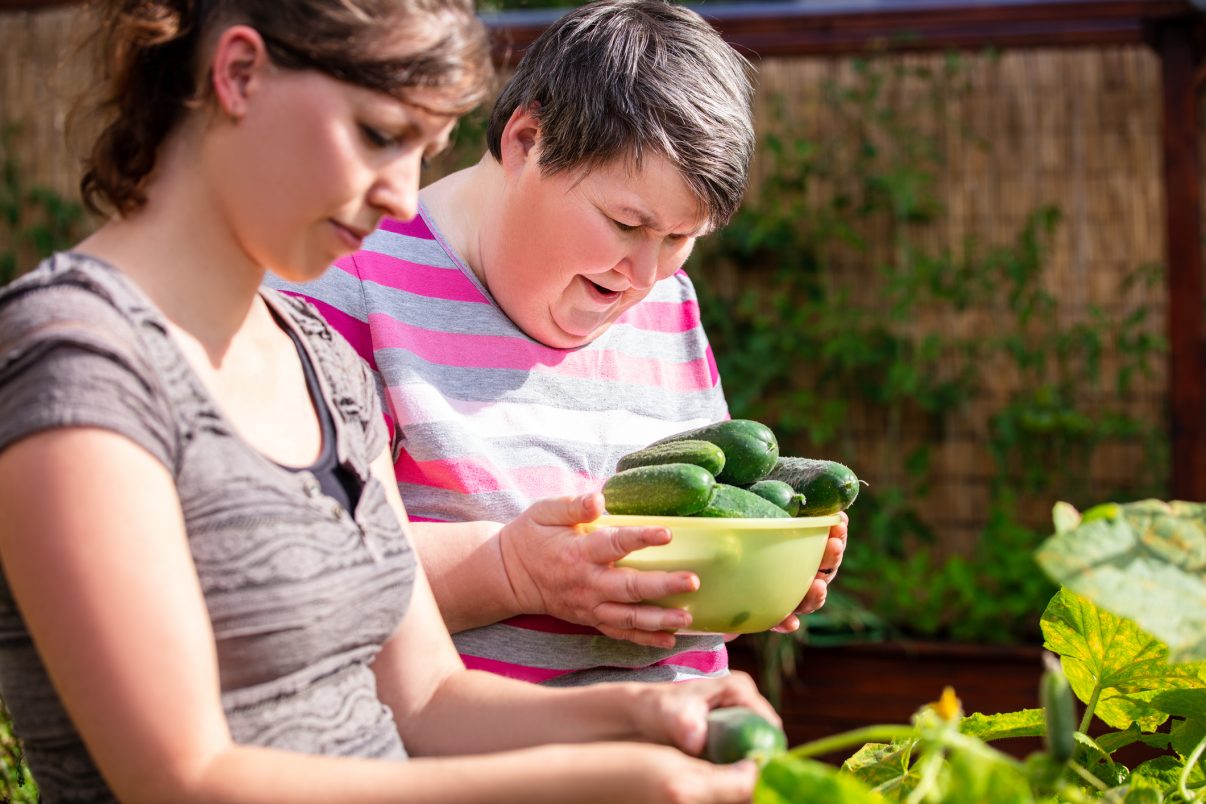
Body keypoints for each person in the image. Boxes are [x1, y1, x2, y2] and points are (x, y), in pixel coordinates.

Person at [0, 1, 775, 801]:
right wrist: (606, 777)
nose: (406, 201)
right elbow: (179, 781)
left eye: (424, 151)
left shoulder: (318, 358)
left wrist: (654, 715)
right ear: (237, 76)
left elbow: (429, 700)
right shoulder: (76, 356)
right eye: (378, 135)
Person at [267, 0, 849, 689]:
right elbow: (299, 587)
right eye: (625, 222)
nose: (645, 275)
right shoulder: (344, 284)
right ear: (525, 142)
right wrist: (514, 573)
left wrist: (752, 564)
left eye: (678, 237)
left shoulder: (670, 300)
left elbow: (685, 534)